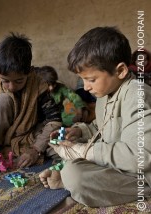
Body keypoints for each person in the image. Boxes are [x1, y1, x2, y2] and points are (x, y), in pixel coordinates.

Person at [39, 26, 151, 207]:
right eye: (83, 80)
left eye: (91, 79)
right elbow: (102, 128)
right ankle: (70, 181)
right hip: (119, 165)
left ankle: (70, 182)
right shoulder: (104, 94)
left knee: (74, 174)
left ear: (120, 70)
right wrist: (79, 132)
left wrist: (85, 151)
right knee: (72, 167)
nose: (86, 87)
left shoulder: (137, 95)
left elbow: (141, 157)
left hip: (142, 172)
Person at [0, 33, 62, 168]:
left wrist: (36, 149)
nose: (11, 87)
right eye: (6, 81)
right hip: (1, 137)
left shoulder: (39, 86)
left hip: (31, 136)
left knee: (62, 145)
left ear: (29, 72)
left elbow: (55, 120)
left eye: (19, 81)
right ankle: (5, 147)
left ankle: (16, 150)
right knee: (3, 100)